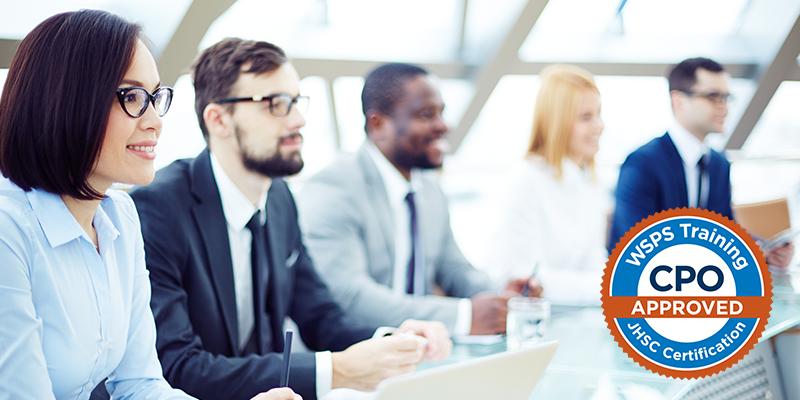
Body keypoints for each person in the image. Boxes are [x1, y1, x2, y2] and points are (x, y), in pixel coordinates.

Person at [130, 39, 451, 400]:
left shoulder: (280, 199)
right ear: (218, 119)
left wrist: (392, 340)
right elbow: (177, 368)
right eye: (274, 105)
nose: (298, 120)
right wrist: (338, 370)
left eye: (296, 102)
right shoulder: (158, 208)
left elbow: (321, 317)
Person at [0, 10, 192, 399]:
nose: (155, 120)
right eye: (133, 96)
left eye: (156, 97)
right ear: (67, 101)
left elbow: (139, 385)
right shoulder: (8, 231)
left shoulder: (119, 215)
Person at [297, 63, 541, 336]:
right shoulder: (334, 187)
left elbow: (455, 269)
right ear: (378, 124)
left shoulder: (429, 188)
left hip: (423, 353)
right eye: (426, 115)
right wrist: (461, 317)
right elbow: (349, 297)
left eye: (441, 113)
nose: (442, 126)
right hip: (356, 356)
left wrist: (502, 297)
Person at [609, 57, 793, 267]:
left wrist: (762, 251)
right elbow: (636, 243)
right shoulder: (642, 163)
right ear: (678, 101)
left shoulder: (719, 164)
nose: (723, 106)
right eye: (713, 96)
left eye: (726, 97)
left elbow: (723, 231)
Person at [479, 65, 608, 305]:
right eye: (586, 117)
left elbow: (597, 266)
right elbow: (523, 279)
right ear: (557, 123)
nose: (599, 126)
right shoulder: (523, 182)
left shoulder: (588, 183)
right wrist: (609, 286)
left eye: (598, 114)